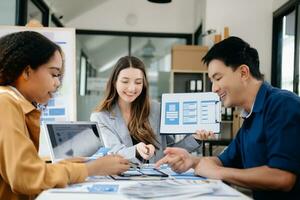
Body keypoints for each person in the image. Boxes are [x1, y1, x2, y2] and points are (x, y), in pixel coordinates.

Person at [155, 36, 300, 199]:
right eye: (211, 81)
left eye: (218, 78)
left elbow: (282, 177)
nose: (214, 88)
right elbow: (222, 160)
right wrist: (191, 161)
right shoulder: (249, 118)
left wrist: (219, 172)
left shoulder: (282, 105)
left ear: (243, 73)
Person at [0, 31, 130, 200]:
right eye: (54, 74)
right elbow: (26, 177)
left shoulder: (14, 103)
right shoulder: (5, 103)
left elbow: (26, 170)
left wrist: (72, 165)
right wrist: (92, 169)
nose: (57, 83)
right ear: (26, 71)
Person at [90, 56, 201, 163]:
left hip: (158, 179)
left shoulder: (158, 110)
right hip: (123, 180)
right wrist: (136, 151)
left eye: (138, 82)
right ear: (114, 82)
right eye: (125, 81)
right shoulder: (100, 117)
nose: (132, 88)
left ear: (144, 84)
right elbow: (113, 153)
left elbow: (169, 151)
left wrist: (195, 138)